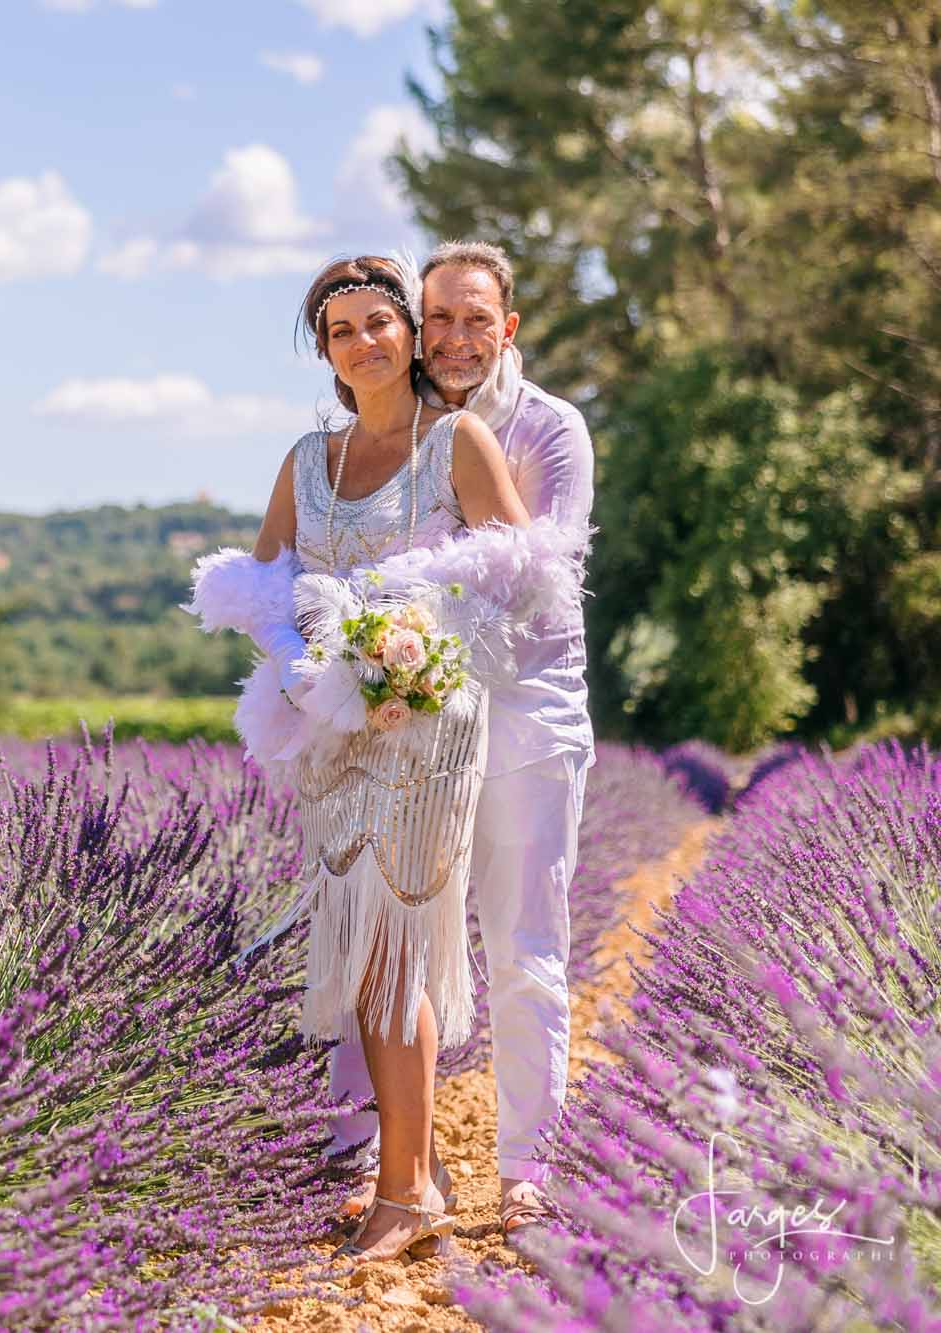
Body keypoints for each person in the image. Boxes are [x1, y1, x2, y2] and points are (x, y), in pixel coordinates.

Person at [190, 253, 543, 1264]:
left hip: (425, 725)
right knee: (360, 950)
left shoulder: (455, 442)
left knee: (396, 942)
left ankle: (405, 1192)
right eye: (340, 330)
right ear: (324, 350)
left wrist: (429, 650)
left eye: (377, 323)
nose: (362, 342)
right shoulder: (309, 461)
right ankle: (413, 1174)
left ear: (408, 335)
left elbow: (518, 573)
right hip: (330, 735)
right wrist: (303, 668)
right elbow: (262, 586)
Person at [324, 240, 597, 1246]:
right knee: (392, 944)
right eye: (435, 317)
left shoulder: (548, 429)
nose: (452, 337)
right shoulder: (388, 434)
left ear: (506, 326)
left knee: (521, 947)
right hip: (414, 726)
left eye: (473, 318)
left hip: (524, 716)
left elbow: (544, 582)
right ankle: (393, 1162)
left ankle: (529, 1168)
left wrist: (406, 622)